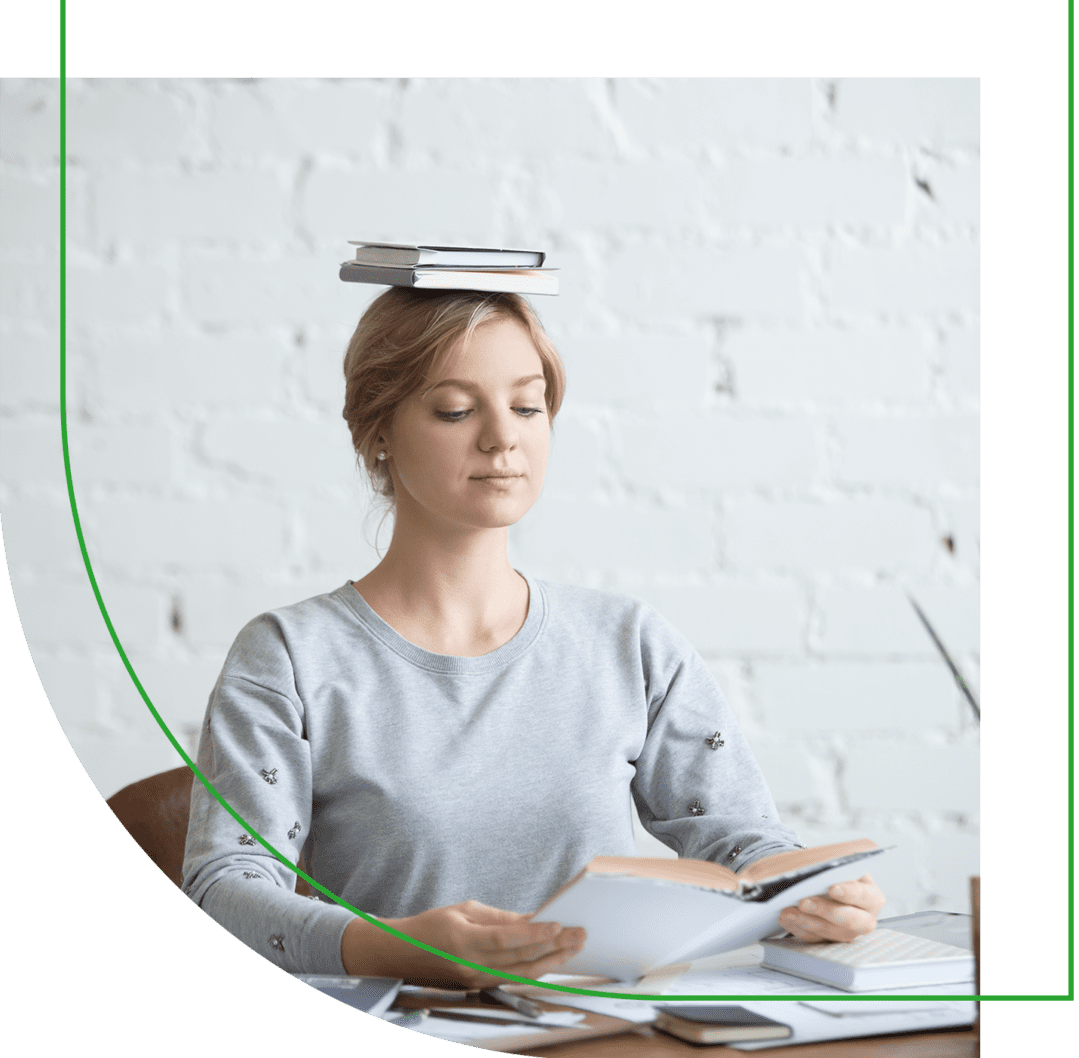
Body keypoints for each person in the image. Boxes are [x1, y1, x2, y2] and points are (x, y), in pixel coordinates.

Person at [182, 287, 884, 987]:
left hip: (608, 1034)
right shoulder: (288, 656)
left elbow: (742, 843)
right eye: (455, 410)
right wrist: (389, 947)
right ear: (377, 433)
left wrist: (811, 894)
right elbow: (224, 888)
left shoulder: (629, 643)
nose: (502, 437)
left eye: (526, 405)